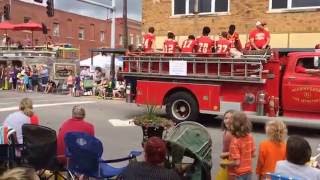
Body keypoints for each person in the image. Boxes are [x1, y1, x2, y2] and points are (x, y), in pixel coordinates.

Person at [220, 111, 255, 180]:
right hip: (248, 172)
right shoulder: (250, 137)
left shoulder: (235, 141)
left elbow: (236, 162)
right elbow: (253, 154)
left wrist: (224, 164)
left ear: (234, 125)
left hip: (237, 174)